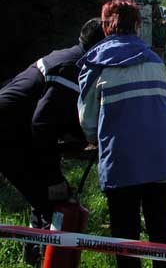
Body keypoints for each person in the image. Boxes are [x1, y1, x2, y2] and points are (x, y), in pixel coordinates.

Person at [77, 0, 166, 268]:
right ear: (137, 26)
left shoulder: (95, 65)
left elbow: (88, 123)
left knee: (126, 238)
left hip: (123, 164)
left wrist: (93, 138)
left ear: (105, 28)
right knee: (161, 232)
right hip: (164, 161)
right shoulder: (156, 61)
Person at [0, 18, 105, 265]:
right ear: (100, 47)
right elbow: (43, 123)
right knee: (55, 199)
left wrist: (86, 138)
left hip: (15, 132)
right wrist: (53, 177)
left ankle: (34, 252)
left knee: (49, 199)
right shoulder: (73, 68)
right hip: (7, 135)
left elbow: (59, 115)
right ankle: (39, 258)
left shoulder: (70, 58)